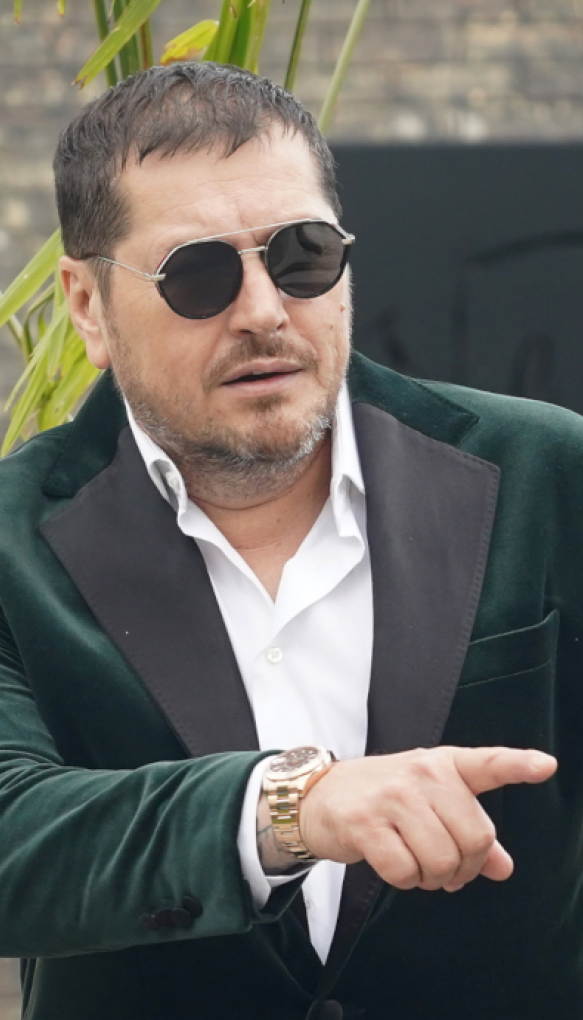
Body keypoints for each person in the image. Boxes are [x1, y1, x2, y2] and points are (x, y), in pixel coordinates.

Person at [0, 60, 580, 1020]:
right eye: (198, 275)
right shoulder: (14, 539)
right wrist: (291, 809)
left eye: (302, 255)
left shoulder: (545, 475)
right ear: (87, 306)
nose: (265, 310)